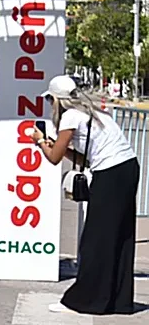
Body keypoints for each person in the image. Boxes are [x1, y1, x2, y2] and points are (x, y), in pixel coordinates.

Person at [28, 75, 139, 316]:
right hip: (127, 168)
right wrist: (56, 144)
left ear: (58, 100)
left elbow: (54, 158)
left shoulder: (69, 116)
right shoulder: (93, 113)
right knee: (119, 237)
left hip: (110, 174)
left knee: (94, 240)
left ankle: (82, 300)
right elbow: (83, 158)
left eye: (50, 100)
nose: (50, 105)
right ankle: (118, 301)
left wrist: (39, 142)